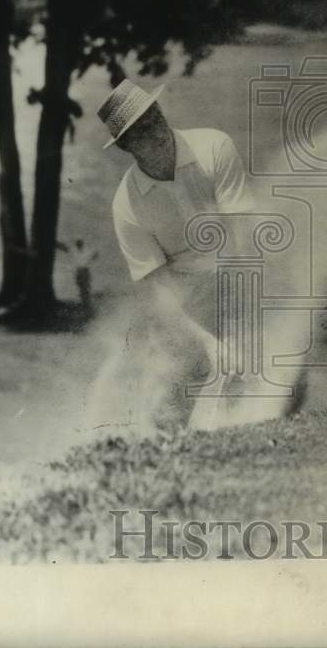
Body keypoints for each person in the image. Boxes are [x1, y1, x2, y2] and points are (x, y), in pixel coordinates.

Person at [88, 78, 256, 435]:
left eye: (156, 116)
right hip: (185, 303)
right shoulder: (127, 206)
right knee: (167, 408)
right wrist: (207, 341)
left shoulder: (213, 146)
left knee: (258, 377)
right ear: (126, 146)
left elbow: (242, 242)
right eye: (143, 130)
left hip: (242, 277)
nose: (158, 131)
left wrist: (237, 327)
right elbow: (160, 292)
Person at [56, 238, 98, 317]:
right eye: (78, 244)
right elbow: (65, 248)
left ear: (82, 244)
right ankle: (86, 305)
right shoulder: (74, 251)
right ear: (77, 245)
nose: (79, 245)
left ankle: (88, 306)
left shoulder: (86, 251)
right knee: (81, 287)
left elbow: (94, 254)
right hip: (79, 271)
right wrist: (57, 244)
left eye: (80, 244)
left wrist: (95, 255)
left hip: (85, 271)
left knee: (85, 288)